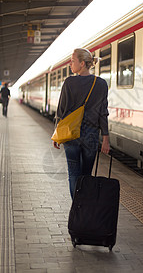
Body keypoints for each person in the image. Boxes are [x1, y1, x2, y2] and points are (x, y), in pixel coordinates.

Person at [53, 48, 110, 198]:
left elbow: (61, 111)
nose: (70, 64)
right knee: (86, 176)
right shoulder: (101, 84)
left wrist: (57, 133)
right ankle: (84, 209)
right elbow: (103, 112)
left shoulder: (69, 82)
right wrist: (106, 138)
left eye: (73, 61)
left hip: (71, 135)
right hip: (90, 135)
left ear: (82, 63)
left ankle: (77, 208)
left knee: (73, 175)